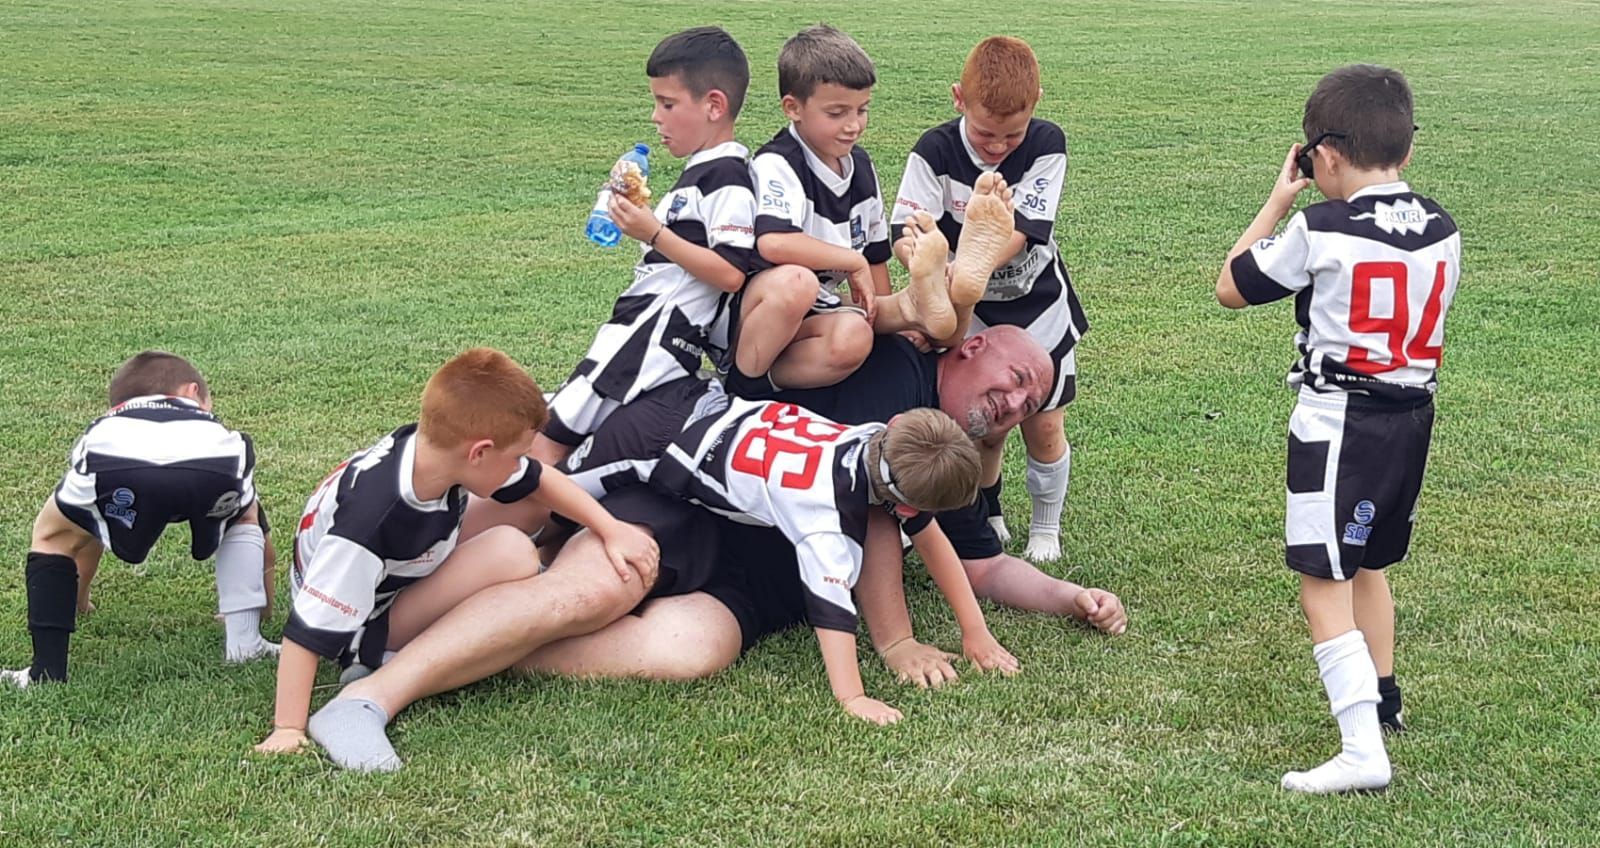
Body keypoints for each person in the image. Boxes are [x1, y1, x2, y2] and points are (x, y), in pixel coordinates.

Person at [1215, 65, 1460, 794]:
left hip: (1340, 421)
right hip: (1412, 416)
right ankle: (1383, 700)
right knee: (1368, 565)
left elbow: (1232, 285)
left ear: (1320, 155)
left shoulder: (1320, 226)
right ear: (1407, 152)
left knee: (1322, 579)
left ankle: (1360, 752)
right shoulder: (1445, 225)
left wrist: (1276, 199)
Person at [252, 349, 657, 767]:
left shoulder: (433, 453)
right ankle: (377, 661)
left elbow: (539, 481)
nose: (525, 463)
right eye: (517, 454)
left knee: (524, 517)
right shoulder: (371, 520)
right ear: (478, 452)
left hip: (388, 575)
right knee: (512, 553)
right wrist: (288, 728)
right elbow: (306, 630)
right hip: (361, 622)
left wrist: (612, 529)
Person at [547, 374, 1019, 724]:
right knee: (539, 499)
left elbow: (929, 536)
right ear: (907, 507)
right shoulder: (825, 518)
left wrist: (974, 631)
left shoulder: (878, 439)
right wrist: (851, 697)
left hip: (693, 403)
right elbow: (832, 613)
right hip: (653, 445)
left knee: (541, 490)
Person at [891, 36, 1089, 563]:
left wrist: (969, 266)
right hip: (967, 316)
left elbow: (1026, 230)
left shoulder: (1046, 143)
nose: (998, 145)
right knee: (981, 426)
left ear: (1037, 103)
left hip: (1036, 309)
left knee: (1044, 424)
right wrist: (923, 260)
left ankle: (1046, 527)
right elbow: (905, 231)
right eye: (985, 132)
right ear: (958, 98)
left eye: (1011, 134)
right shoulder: (933, 151)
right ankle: (990, 512)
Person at [531, 26, 756, 469]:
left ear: (714, 105)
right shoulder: (701, 170)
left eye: (667, 103)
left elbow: (731, 271)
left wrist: (653, 233)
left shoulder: (728, 177)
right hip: (641, 329)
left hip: (650, 335)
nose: (657, 117)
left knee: (547, 442)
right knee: (567, 441)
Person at [728, 25, 982, 399]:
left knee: (856, 336)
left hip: (818, 314)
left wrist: (885, 324)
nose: (853, 125)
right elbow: (774, 243)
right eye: (837, 112)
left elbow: (875, 254)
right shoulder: (777, 163)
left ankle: (927, 306)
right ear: (793, 108)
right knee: (797, 284)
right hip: (761, 313)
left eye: (862, 110)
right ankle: (741, 383)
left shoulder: (859, 166)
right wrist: (851, 262)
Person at [2, 351, 276, 688]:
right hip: (215, 463)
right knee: (245, 519)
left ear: (117, 404)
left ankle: (47, 671)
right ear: (192, 392)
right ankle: (245, 641)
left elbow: (78, 539)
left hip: (112, 463)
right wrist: (266, 608)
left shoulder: (110, 422)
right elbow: (265, 546)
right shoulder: (208, 423)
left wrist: (78, 598)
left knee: (59, 534)